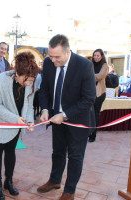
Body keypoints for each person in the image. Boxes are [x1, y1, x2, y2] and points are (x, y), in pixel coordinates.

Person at [37, 34, 96, 200]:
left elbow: (89, 98)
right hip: (56, 119)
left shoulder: (84, 65)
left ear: (67, 52)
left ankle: (70, 191)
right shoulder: (49, 63)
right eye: (50, 56)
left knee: (75, 156)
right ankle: (54, 181)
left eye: (57, 57)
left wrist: (65, 115)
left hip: (77, 120)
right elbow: (44, 90)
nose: (53, 60)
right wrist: (45, 109)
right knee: (57, 152)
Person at [0, 52, 39, 200]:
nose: (28, 84)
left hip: (15, 123)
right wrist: (15, 119)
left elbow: (28, 105)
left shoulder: (30, 82)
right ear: (18, 72)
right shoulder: (1, 80)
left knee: (10, 151)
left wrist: (29, 120)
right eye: (26, 80)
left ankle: (8, 181)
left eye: (31, 81)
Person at [88, 49, 108, 142]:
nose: (96, 57)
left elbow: (100, 76)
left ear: (101, 56)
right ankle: (88, 133)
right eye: (94, 55)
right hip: (89, 92)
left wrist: (88, 76)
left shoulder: (104, 65)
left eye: (98, 55)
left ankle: (93, 135)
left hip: (99, 93)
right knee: (88, 114)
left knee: (95, 114)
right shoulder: (90, 64)